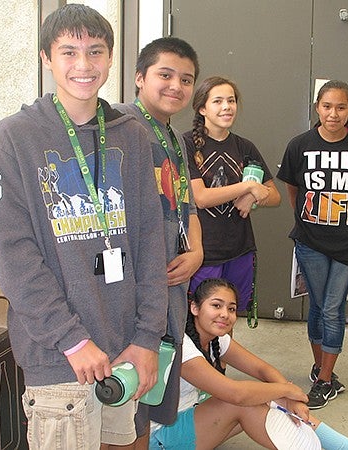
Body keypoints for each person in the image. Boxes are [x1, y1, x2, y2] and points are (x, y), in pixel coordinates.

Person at [0, 5, 168, 448]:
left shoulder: (131, 135)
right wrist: (71, 340)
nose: (83, 65)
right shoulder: (15, 137)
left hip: (124, 347)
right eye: (68, 52)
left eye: (95, 51)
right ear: (46, 59)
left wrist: (147, 338)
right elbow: (15, 259)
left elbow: (149, 239)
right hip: (58, 356)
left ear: (110, 60)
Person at [148, 278, 348, 449]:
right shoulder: (182, 345)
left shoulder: (216, 339)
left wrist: (288, 398)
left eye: (231, 308)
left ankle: (347, 448)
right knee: (241, 401)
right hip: (160, 438)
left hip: (190, 415)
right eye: (216, 306)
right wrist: (287, 389)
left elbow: (262, 369)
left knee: (262, 396)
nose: (225, 314)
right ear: (195, 308)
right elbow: (235, 394)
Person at [113, 37, 204, 446]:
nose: (176, 86)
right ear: (139, 78)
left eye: (186, 79)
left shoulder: (176, 139)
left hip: (171, 284)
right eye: (165, 75)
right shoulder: (120, 127)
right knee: (123, 404)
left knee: (151, 399)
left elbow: (187, 204)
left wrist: (197, 251)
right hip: (134, 293)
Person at [276, 80, 348, 409]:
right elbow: (294, 192)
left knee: (333, 309)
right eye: (326, 107)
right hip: (310, 240)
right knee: (319, 308)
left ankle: (325, 381)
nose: (333, 114)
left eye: (340, 107)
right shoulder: (299, 146)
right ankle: (321, 367)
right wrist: (311, 217)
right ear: (317, 108)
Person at [183, 76, 281, 314]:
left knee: (227, 318)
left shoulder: (244, 146)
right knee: (200, 319)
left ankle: (224, 353)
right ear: (202, 108)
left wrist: (255, 197)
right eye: (217, 101)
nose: (227, 107)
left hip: (240, 249)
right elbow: (202, 198)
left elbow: (275, 196)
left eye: (231, 100)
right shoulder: (186, 144)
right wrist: (248, 187)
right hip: (204, 252)